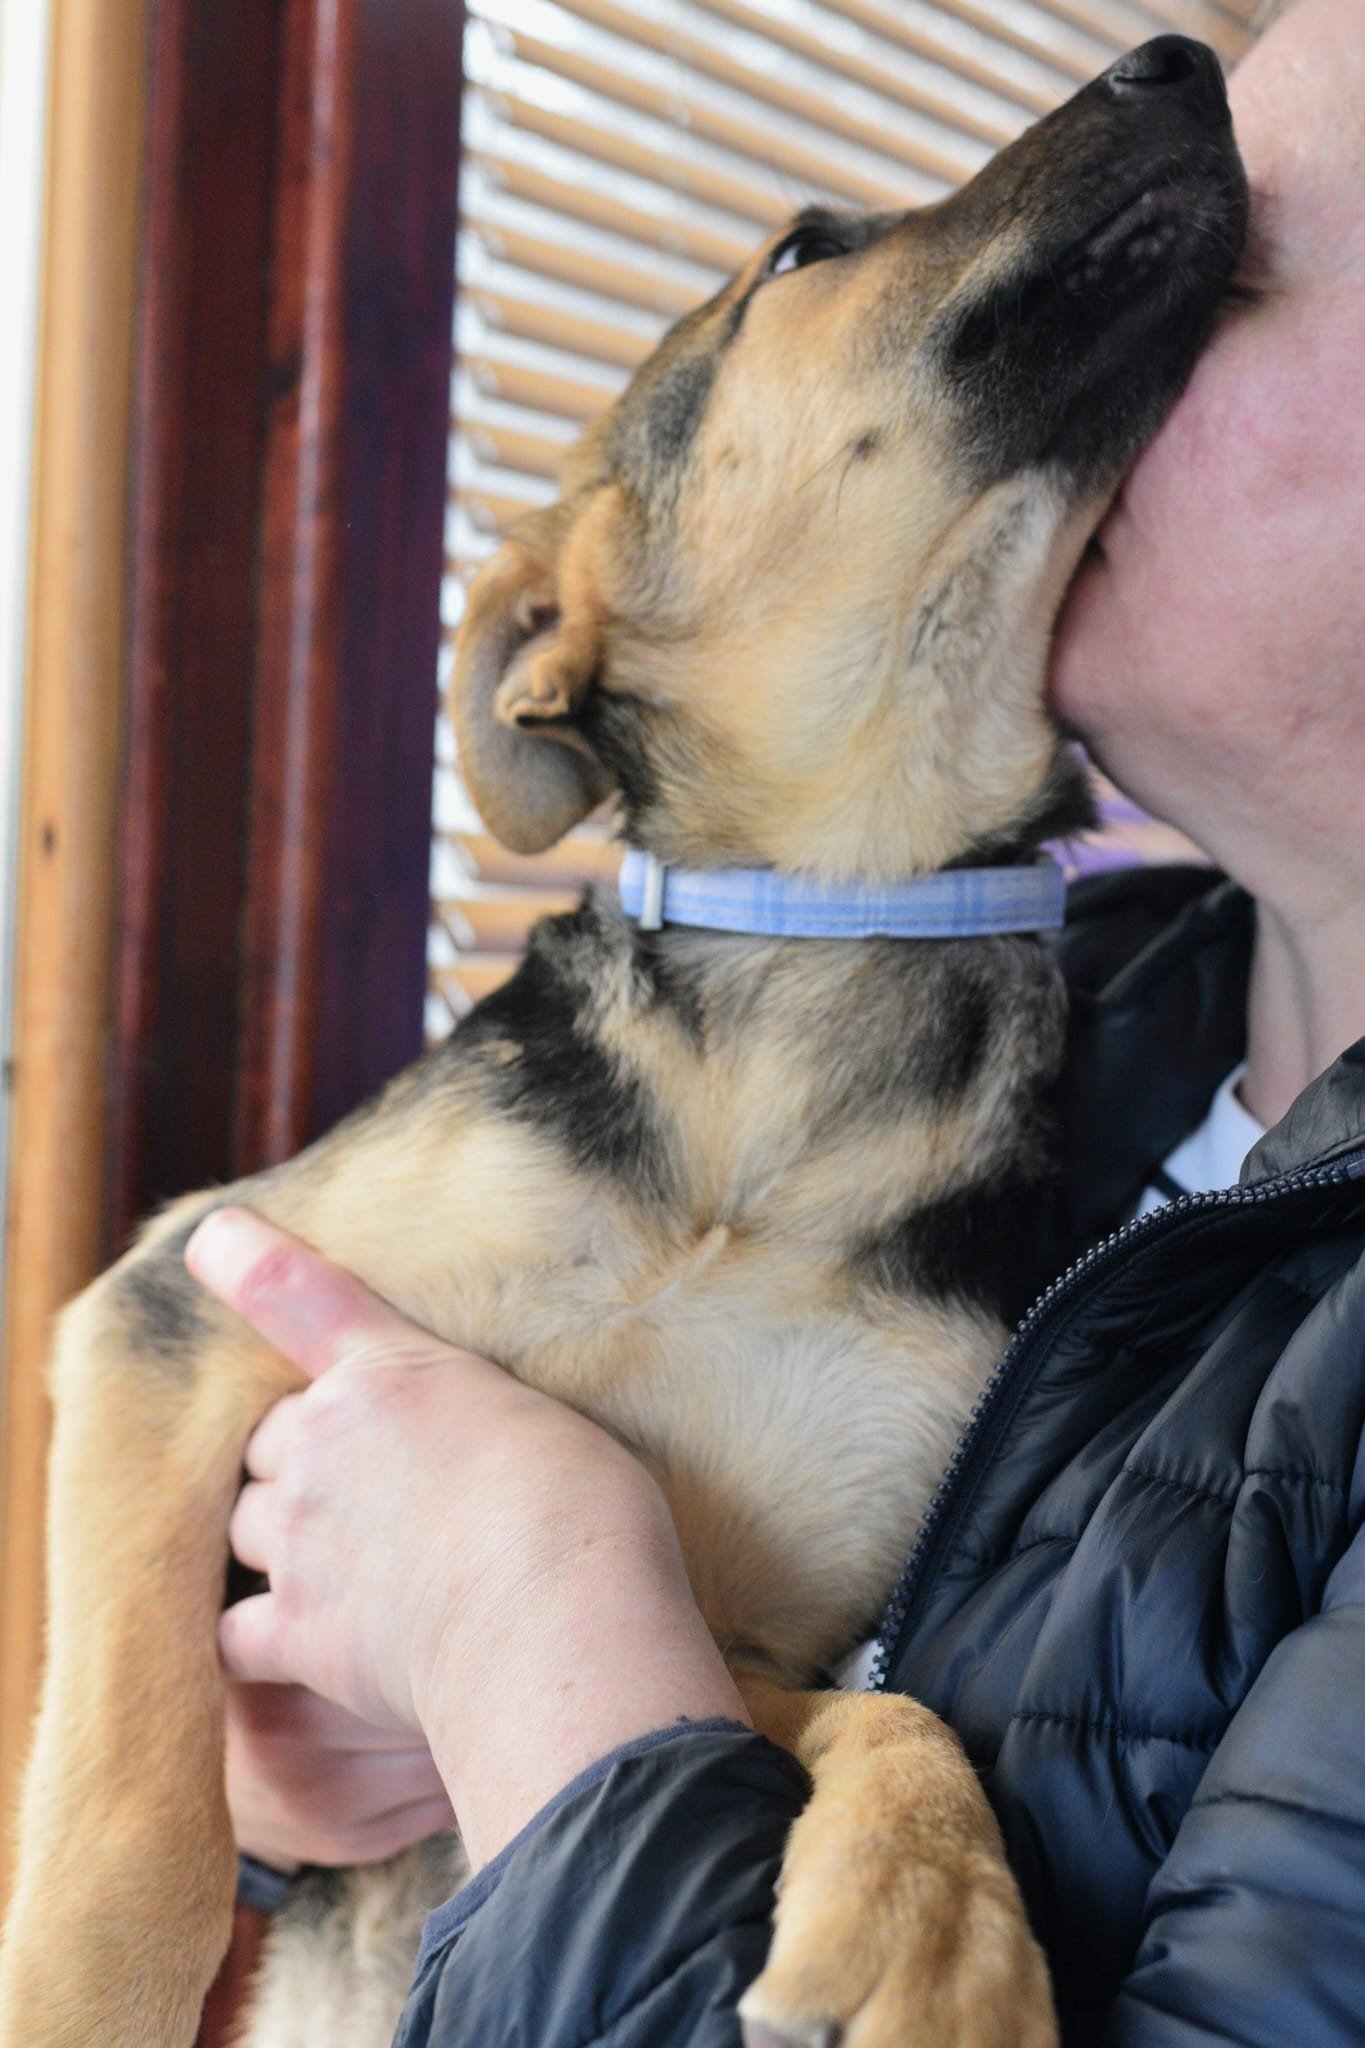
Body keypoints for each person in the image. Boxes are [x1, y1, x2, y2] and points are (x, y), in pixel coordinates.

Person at [199, 0, 1365, 2038]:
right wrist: (309, 1749)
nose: (1103, 346)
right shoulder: (942, 1034)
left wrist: (524, 1620)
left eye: (1230, 270)